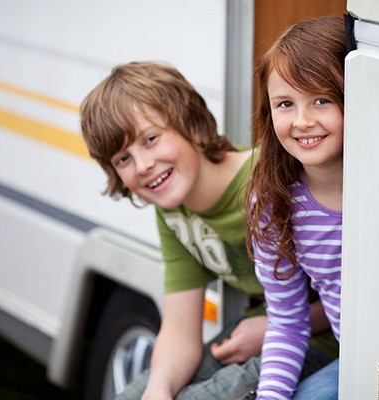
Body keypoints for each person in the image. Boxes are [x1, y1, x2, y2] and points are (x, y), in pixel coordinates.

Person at [79, 61, 337, 400]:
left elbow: (345, 292)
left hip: (321, 341)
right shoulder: (172, 212)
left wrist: (274, 330)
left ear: (193, 127)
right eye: (122, 159)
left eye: (151, 140)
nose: (143, 165)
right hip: (268, 332)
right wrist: (158, 390)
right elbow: (179, 330)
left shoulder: (269, 180)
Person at [246, 16, 347, 400]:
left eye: (322, 99)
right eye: (286, 103)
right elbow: (288, 322)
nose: (303, 121)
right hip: (356, 360)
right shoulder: (275, 203)